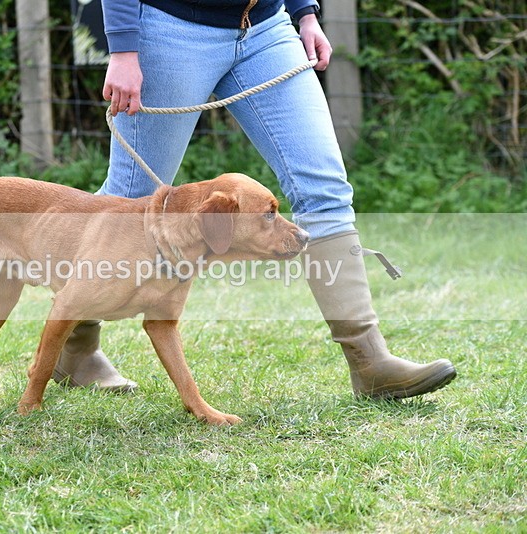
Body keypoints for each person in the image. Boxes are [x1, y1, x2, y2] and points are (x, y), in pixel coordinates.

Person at [52, 0, 457, 398]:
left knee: (324, 187)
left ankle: (371, 362)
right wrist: (123, 47)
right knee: (129, 199)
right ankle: (76, 350)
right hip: (170, 29)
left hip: (266, 29)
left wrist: (304, 12)